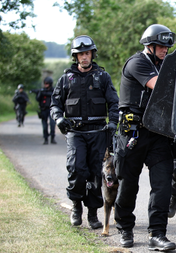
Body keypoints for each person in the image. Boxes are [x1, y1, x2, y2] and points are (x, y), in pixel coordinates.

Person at [113, 24, 176, 251]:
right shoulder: (137, 63)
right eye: (161, 46)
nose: (165, 50)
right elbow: (159, 87)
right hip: (133, 134)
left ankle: (157, 234)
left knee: (163, 185)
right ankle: (125, 228)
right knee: (128, 184)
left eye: (168, 46)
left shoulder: (167, 64)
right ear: (149, 45)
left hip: (159, 134)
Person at [50, 35, 119, 230]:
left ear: (92, 54)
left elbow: (114, 102)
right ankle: (76, 206)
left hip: (98, 131)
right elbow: (55, 103)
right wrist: (59, 118)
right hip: (75, 132)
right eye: (81, 54)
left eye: (87, 53)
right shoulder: (66, 79)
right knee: (77, 169)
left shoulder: (102, 77)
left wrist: (113, 122)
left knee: (97, 174)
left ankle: (93, 213)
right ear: (76, 56)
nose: (84, 57)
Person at [34, 77, 57, 144]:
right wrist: (40, 93)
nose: (45, 84)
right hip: (43, 110)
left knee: (52, 124)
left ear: (50, 84)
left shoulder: (54, 90)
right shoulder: (42, 90)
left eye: (47, 83)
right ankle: (45, 138)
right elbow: (38, 99)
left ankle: (52, 138)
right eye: (45, 83)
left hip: (51, 110)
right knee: (44, 125)